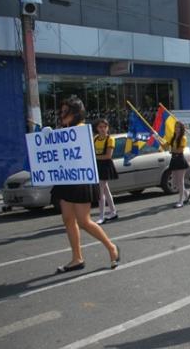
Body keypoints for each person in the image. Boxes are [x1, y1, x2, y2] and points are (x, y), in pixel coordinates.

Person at [51, 97, 120, 273]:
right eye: (62, 110)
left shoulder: (81, 130)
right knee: (68, 219)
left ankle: (112, 248)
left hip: (81, 180)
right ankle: (77, 258)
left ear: (74, 113)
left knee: (84, 221)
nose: (61, 114)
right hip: (66, 179)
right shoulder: (64, 130)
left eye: (65, 111)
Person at [159, 121, 190, 208]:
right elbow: (165, 146)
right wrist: (158, 139)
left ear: (181, 129)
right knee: (175, 183)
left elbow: (180, 150)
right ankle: (187, 193)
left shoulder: (183, 138)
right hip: (173, 159)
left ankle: (180, 201)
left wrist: (171, 150)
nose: (176, 129)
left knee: (180, 182)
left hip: (180, 160)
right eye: (175, 127)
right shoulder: (172, 137)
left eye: (178, 127)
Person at [93, 118, 118, 224]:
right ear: (97, 128)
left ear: (108, 128)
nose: (103, 129)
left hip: (105, 166)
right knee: (106, 190)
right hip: (98, 165)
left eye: (105, 127)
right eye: (100, 127)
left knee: (100, 191)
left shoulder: (110, 139)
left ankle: (101, 216)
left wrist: (94, 157)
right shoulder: (95, 139)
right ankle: (113, 212)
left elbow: (108, 155)